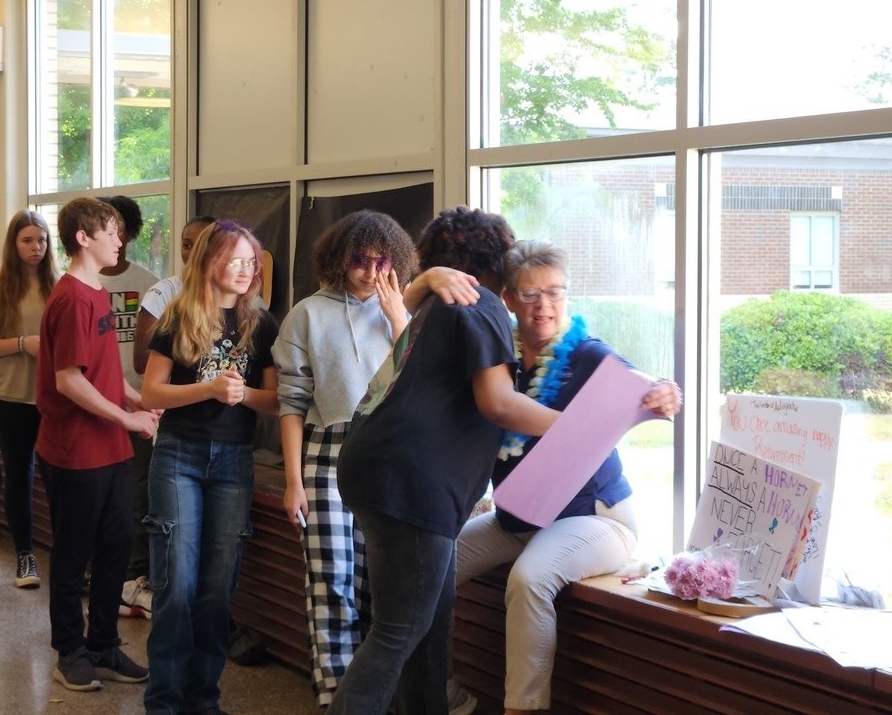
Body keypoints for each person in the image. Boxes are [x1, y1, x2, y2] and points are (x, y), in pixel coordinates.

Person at [327, 207, 563, 715]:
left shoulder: (439, 304)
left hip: (375, 466)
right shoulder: (481, 308)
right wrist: (573, 425)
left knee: (431, 623)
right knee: (398, 630)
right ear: (498, 261)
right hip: (412, 482)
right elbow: (497, 402)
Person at [448, 241, 682, 715]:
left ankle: (524, 709)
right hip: (517, 518)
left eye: (555, 292)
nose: (544, 306)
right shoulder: (497, 360)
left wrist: (664, 393)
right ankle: (440, 690)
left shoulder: (588, 355)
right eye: (530, 294)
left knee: (529, 578)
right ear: (509, 299)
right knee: (433, 565)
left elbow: (643, 385)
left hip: (596, 519)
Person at [273, 210, 418, 709]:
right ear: (339, 257)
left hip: (388, 457)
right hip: (326, 453)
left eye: (381, 260)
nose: (369, 270)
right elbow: (290, 404)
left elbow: (420, 385)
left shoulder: (404, 315)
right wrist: (293, 482)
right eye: (359, 259)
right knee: (330, 580)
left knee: (380, 583)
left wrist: (400, 319)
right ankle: (337, 697)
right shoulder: (307, 314)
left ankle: (376, 693)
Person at [141, 220, 279, 715]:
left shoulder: (261, 323)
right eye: (236, 260)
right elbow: (150, 393)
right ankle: (163, 700)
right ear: (208, 261)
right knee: (176, 583)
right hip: (179, 453)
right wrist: (208, 389)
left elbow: (275, 399)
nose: (246, 270)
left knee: (219, 587)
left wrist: (242, 395)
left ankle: (203, 699)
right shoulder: (178, 317)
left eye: (251, 261)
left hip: (233, 462)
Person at [35, 196, 159, 693]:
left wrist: (139, 401)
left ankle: (104, 644)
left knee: (115, 548)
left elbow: (104, 376)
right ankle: (71, 651)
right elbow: (69, 381)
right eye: (110, 232)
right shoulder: (69, 299)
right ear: (83, 239)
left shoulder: (98, 291)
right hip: (75, 450)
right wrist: (128, 419)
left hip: (112, 448)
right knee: (73, 554)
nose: (120, 239)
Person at [120, 213, 215, 619]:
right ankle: (137, 581)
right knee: (149, 501)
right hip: (164, 416)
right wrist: (191, 347)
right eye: (185, 242)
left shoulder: (242, 296)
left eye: (199, 243)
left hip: (219, 428)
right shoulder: (165, 293)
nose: (190, 250)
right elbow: (142, 363)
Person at [0, 210, 59, 587]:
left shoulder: (59, 284)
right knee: (20, 474)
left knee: (59, 477)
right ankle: (25, 555)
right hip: (9, 397)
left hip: (53, 398)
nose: (35, 247)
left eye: (41, 240)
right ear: (13, 244)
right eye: (27, 240)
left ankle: (67, 558)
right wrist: (24, 345)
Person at [96, 195, 162, 601]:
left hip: (137, 405)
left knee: (136, 492)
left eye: (118, 225)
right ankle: (97, 569)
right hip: (92, 403)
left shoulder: (148, 282)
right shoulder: (83, 283)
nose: (113, 234)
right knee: (96, 492)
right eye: (105, 225)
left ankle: (133, 576)